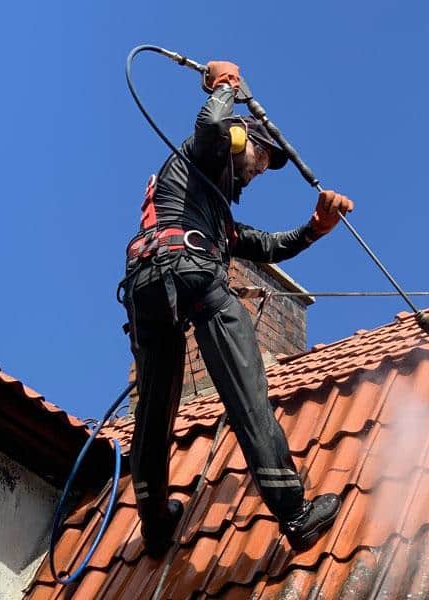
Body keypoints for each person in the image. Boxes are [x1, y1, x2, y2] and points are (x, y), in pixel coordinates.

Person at [118, 60, 354, 558]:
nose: (262, 170)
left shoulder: (208, 206)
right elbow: (209, 126)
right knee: (248, 391)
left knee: (155, 409)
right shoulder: (214, 148)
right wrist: (226, 86)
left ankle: (156, 527)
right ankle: (294, 513)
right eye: (264, 158)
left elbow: (262, 245)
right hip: (190, 272)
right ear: (247, 140)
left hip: (147, 284)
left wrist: (314, 227)